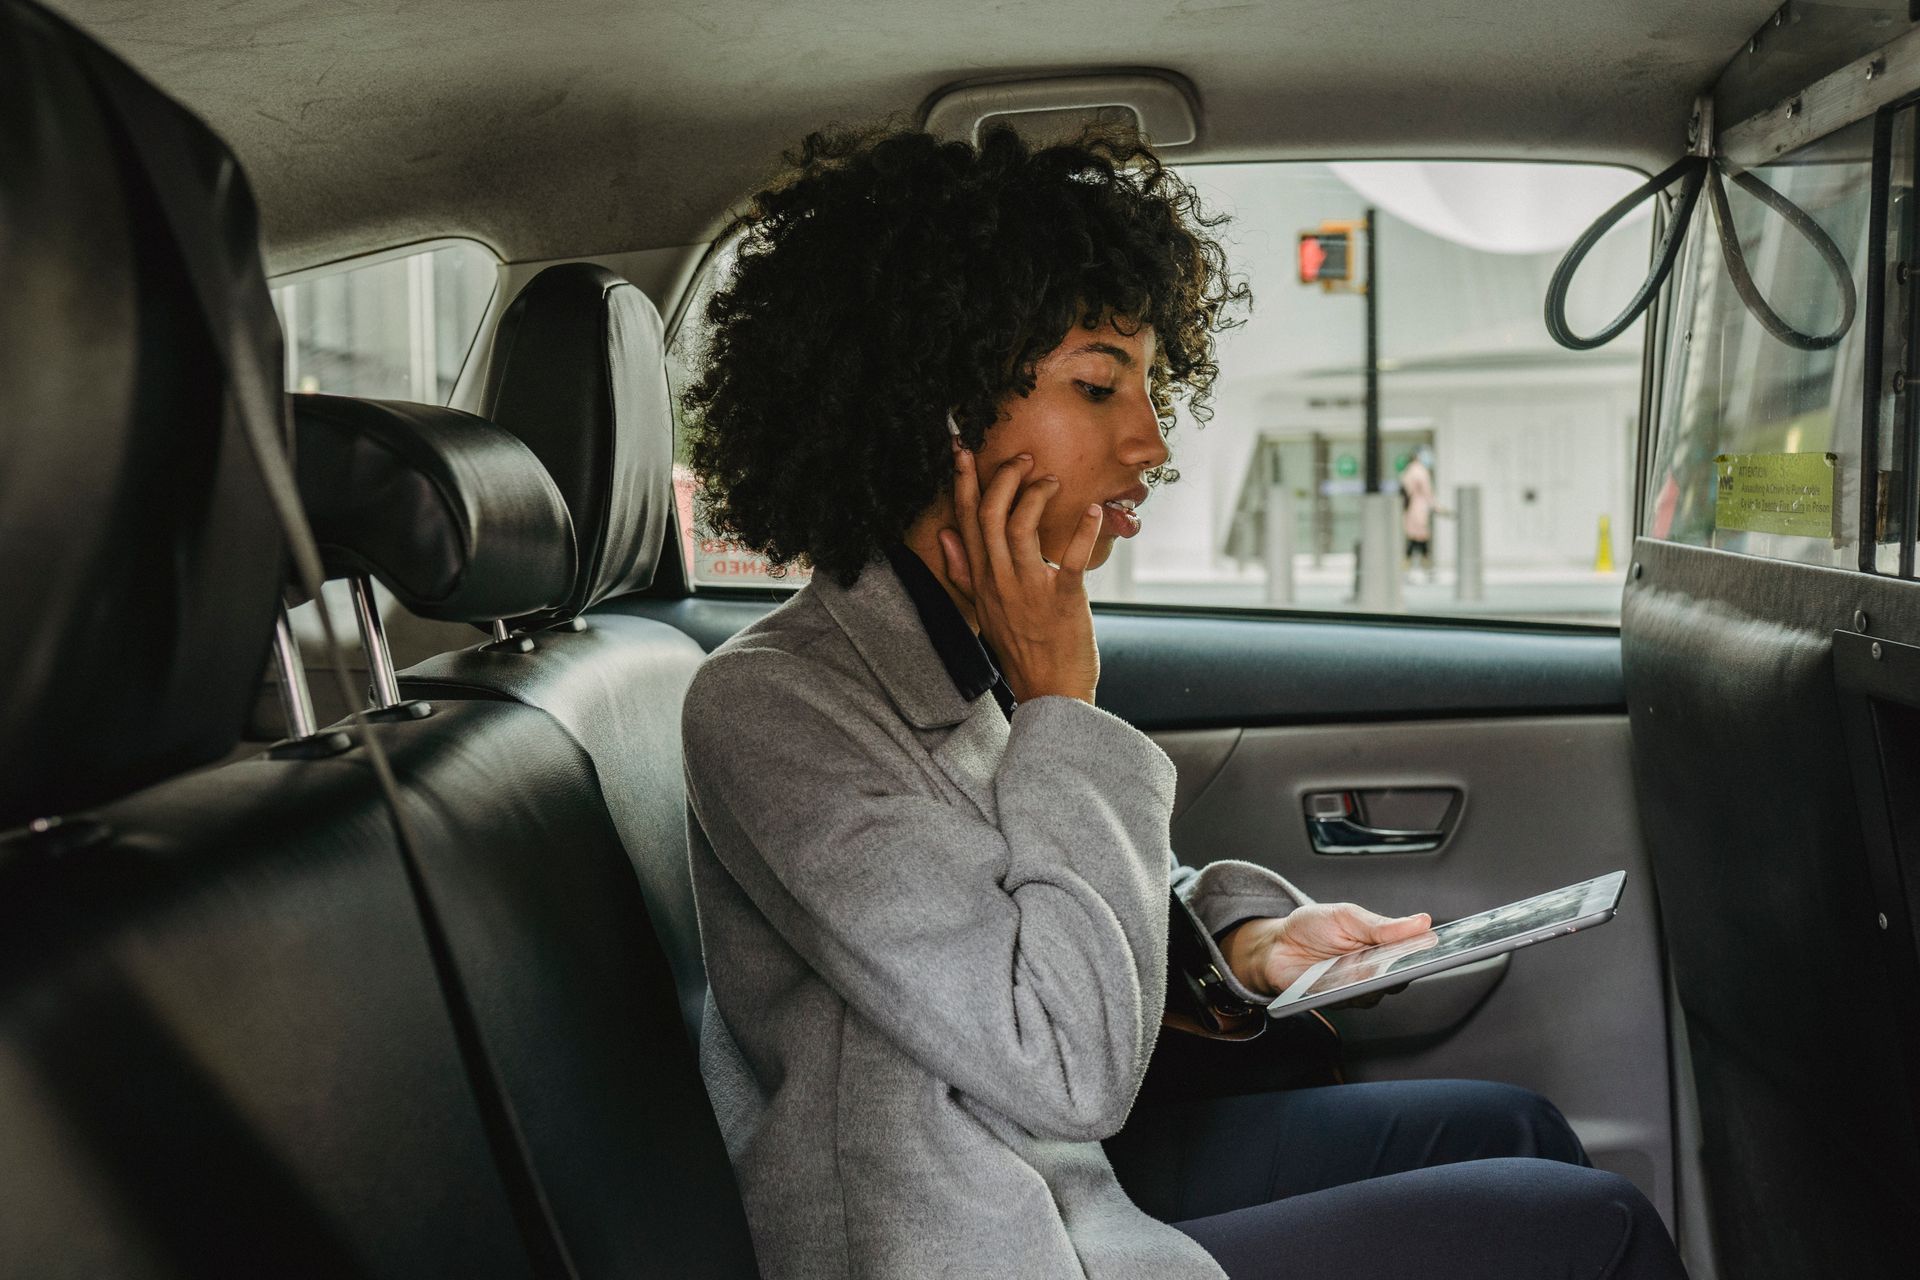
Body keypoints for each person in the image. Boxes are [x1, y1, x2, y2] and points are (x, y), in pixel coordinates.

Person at [678, 123, 1686, 1280]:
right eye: (1099, 384)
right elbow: (1061, 1059)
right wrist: (1064, 704)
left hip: (1066, 1174)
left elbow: (1076, 906)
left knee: (1512, 1130)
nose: (1152, 442)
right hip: (972, 1236)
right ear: (933, 409)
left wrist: (1247, 945)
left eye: (1150, 389)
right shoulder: (773, 707)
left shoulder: (971, 645)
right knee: (1593, 1230)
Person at [1401, 445, 1436, 577]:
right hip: (1418, 510)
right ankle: (1426, 569)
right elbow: (1427, 493)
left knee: (1414, 541)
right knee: (1419, 540)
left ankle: (1409, 569)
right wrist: (1437, 507)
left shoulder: (1409, 470)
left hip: (1411, 510)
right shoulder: (1420, 471)